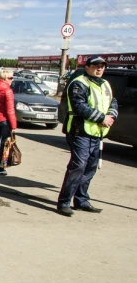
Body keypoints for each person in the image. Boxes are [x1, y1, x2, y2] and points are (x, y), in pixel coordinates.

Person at [57, 56, 118, 217]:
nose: (99, 69)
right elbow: (79, 106)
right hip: (80, 132)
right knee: (78, 166)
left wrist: (111, 115)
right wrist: (101, 118)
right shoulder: (79, 83)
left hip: (97, 133)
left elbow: (113, 102)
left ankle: (81, 200)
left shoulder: (105, 84)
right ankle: (64, 202)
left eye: (102, 66)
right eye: (96, 66)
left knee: (90, 168)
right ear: (87, 67)